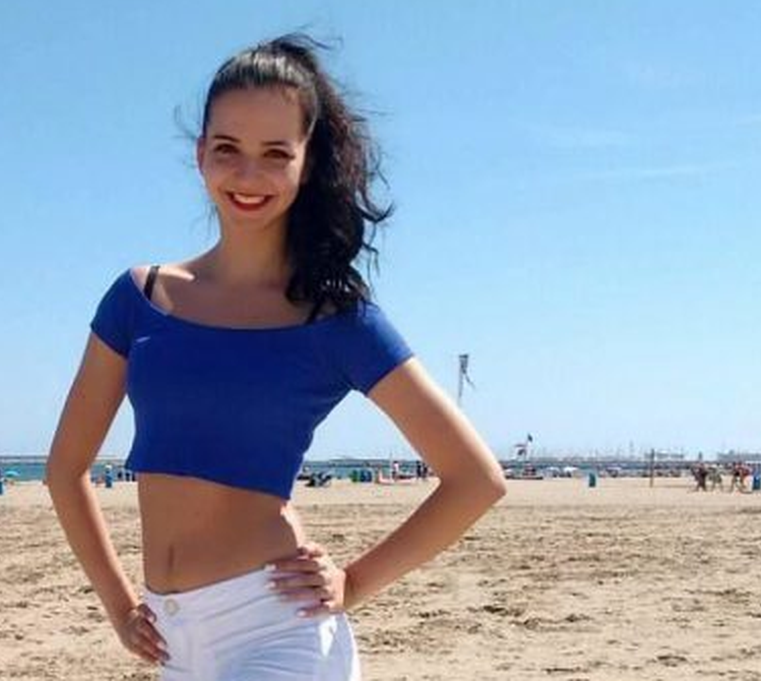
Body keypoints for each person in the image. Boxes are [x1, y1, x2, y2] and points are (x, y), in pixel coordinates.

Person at [45, 34, 506, 680]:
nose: (248, 175)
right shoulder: (139, 299)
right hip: (174, 644)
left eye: (275, 154)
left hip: (278, 631)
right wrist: (120, 606)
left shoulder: (334, 319)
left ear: (306, 164)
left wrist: (353, 582)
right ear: (201, 154)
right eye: (228, 150)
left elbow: (475, 479)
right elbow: (65, 470)